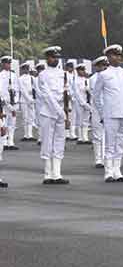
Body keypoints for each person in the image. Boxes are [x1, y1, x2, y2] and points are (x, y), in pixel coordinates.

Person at [93, 44, 123, 183]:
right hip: (110, 113)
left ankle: (117, 171)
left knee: (121, 143)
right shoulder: (103, 74)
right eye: (113, 55)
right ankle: (108, 172)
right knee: (110, 144)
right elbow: (96, 96)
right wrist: (102, 112)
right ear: (108, 57)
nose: (116, 58)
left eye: (118, 55)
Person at [37, 46, 70, 185]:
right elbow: (47, 95)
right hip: (48, 112)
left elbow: (66, 94)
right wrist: (60, 111)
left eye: (57, 57)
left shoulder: (63, 74)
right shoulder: (43, 74)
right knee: (47, 142)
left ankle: (57, 173)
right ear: (47, 58)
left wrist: (66, 113)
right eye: (52, 57)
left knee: (59, 141)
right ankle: (47, 174)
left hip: (61, 113)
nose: (55, 59)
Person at [89, 56, 108, 169]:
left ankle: (106, 157)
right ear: (96, 67)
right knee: (98, 135)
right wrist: (101, 111)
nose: (104, 67)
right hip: (97, 109)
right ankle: (98, 159)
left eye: (105, 65)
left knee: (108, 135)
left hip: (109, 109)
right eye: (101, 65)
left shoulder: (108, 77)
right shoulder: (93, 78)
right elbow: (96, 97)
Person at [0, 55, 19, 150]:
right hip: (5, 103)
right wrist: (7, 103)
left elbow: (17, 89)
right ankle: (4, 142)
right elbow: (1, 91)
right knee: (5, 123)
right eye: (7, 63)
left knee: (12, 123)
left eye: (10, 63)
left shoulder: (13, 75)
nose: (9, 65)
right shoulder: (1, 75)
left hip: (13, 102)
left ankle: (10, 142)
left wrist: (16, 101)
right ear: (3, 64)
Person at [19, 61, 37, 142]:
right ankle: (26, 135)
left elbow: (36, 89)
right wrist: (29, 99)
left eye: (27, 68)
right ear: (22, 69)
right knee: (25, 117)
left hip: (32, 100)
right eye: (25, 68)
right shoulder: (20, 79)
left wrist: (34, 99)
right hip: (24, 100)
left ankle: (30, 134)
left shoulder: (32, 78)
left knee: (31, 117)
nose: (26, 70)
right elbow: (22, 90)